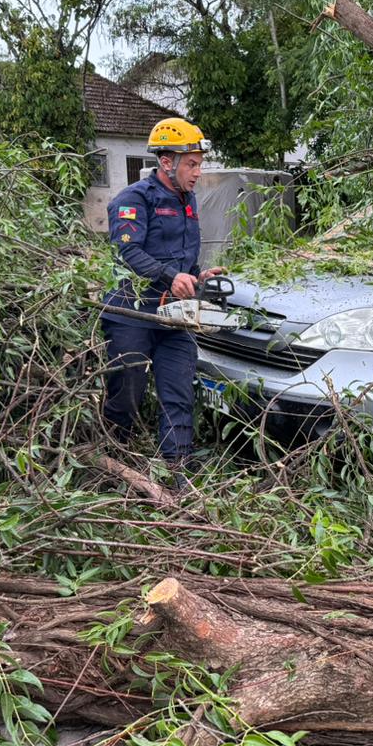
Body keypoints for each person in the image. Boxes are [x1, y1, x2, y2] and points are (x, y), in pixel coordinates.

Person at [99, 117, 223, 478]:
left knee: (178, 389)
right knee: (128, 391)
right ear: (166, 162)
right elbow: (128, 254)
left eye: (200, 164)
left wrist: (196, 276)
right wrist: (171, 275)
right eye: (192, 164)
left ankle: (177, 468)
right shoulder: (133, 199)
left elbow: (183, 254)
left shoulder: (188, 200)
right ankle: (111, 457)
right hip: (132, 313)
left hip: (173, 314)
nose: (198, 172)